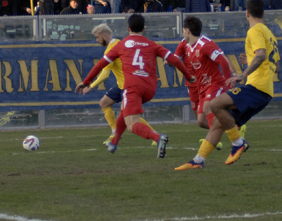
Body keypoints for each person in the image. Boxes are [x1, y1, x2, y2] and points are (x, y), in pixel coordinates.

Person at [76, 14, 194, 158]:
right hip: (150, 88)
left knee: (132, 125)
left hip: (132, 87)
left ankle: (158, 138)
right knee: (124, 111)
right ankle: (114, 142)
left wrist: (86, 82)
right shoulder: (152, 44)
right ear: (144, 28)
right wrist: (188, 76)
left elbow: (100, 65)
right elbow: (174, 60)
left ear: (128, 28)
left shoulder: (121, 45)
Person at [183, 0, 278, 168]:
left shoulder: (254, 30)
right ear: (263, 13)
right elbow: (270, 60)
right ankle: (198, 161)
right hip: (265, 89)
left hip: (257, 87)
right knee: (218, 123)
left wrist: (243, 74)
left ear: (246, 13)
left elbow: (261, 55)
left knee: (215, 104)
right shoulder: (269, 33)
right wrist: (250, 61)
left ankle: (238, 142)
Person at [77, 24, 158, 146]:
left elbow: (105, 74)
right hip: (121, 85)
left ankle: (154, 135)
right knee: (104, 103)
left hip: (128, 86)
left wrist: (91, 86)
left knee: (128, 115)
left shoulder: (112, 48)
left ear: (104, 36)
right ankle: (115, 132)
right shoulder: (119, 43)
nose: (97, 40)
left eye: (98, 37)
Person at [173, 16, 235, 170]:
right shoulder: (188, 46)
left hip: (215, 83)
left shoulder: (205, 45)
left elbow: (222, 61)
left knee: (208, 108)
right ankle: (234, 126)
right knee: (201, 121)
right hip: (202, 87)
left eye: (183, 30)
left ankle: (234, 139)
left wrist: (229, 81)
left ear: (188, 31)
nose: (183, 33)